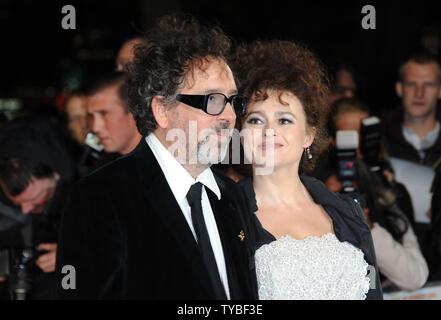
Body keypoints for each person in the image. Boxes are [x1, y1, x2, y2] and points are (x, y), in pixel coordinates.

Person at [55, 14, 257, 300]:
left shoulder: (231, 196)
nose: (229, 116)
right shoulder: (101, 197)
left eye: (233, 100)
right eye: (212, 100)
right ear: (162, 110)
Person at [232, 40, 382, 299]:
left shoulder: (349, 213)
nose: (270, 131)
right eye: (256, 120)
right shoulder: (226, 215)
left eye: (284, 120)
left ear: (308, 135)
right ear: (241, 133)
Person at [325, 98, 429, 291]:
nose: (358, 147)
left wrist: (369, 227)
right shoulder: (316, 191)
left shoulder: (392, 193)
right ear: (331, 141)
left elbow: (414, 278)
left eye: (364, 136)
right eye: (349, 138)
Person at [0, 116, 74, 299]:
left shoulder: (86, 202)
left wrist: (71, 259)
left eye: (33, 200)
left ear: (55, 176)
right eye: (17, 203)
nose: (25, 210)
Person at [383, 51, 441, 278]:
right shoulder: (376, 143)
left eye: (428, 84)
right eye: (411, 84)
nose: (419, 93)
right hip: (393, 271)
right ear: (399, 89)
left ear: (439, 90)